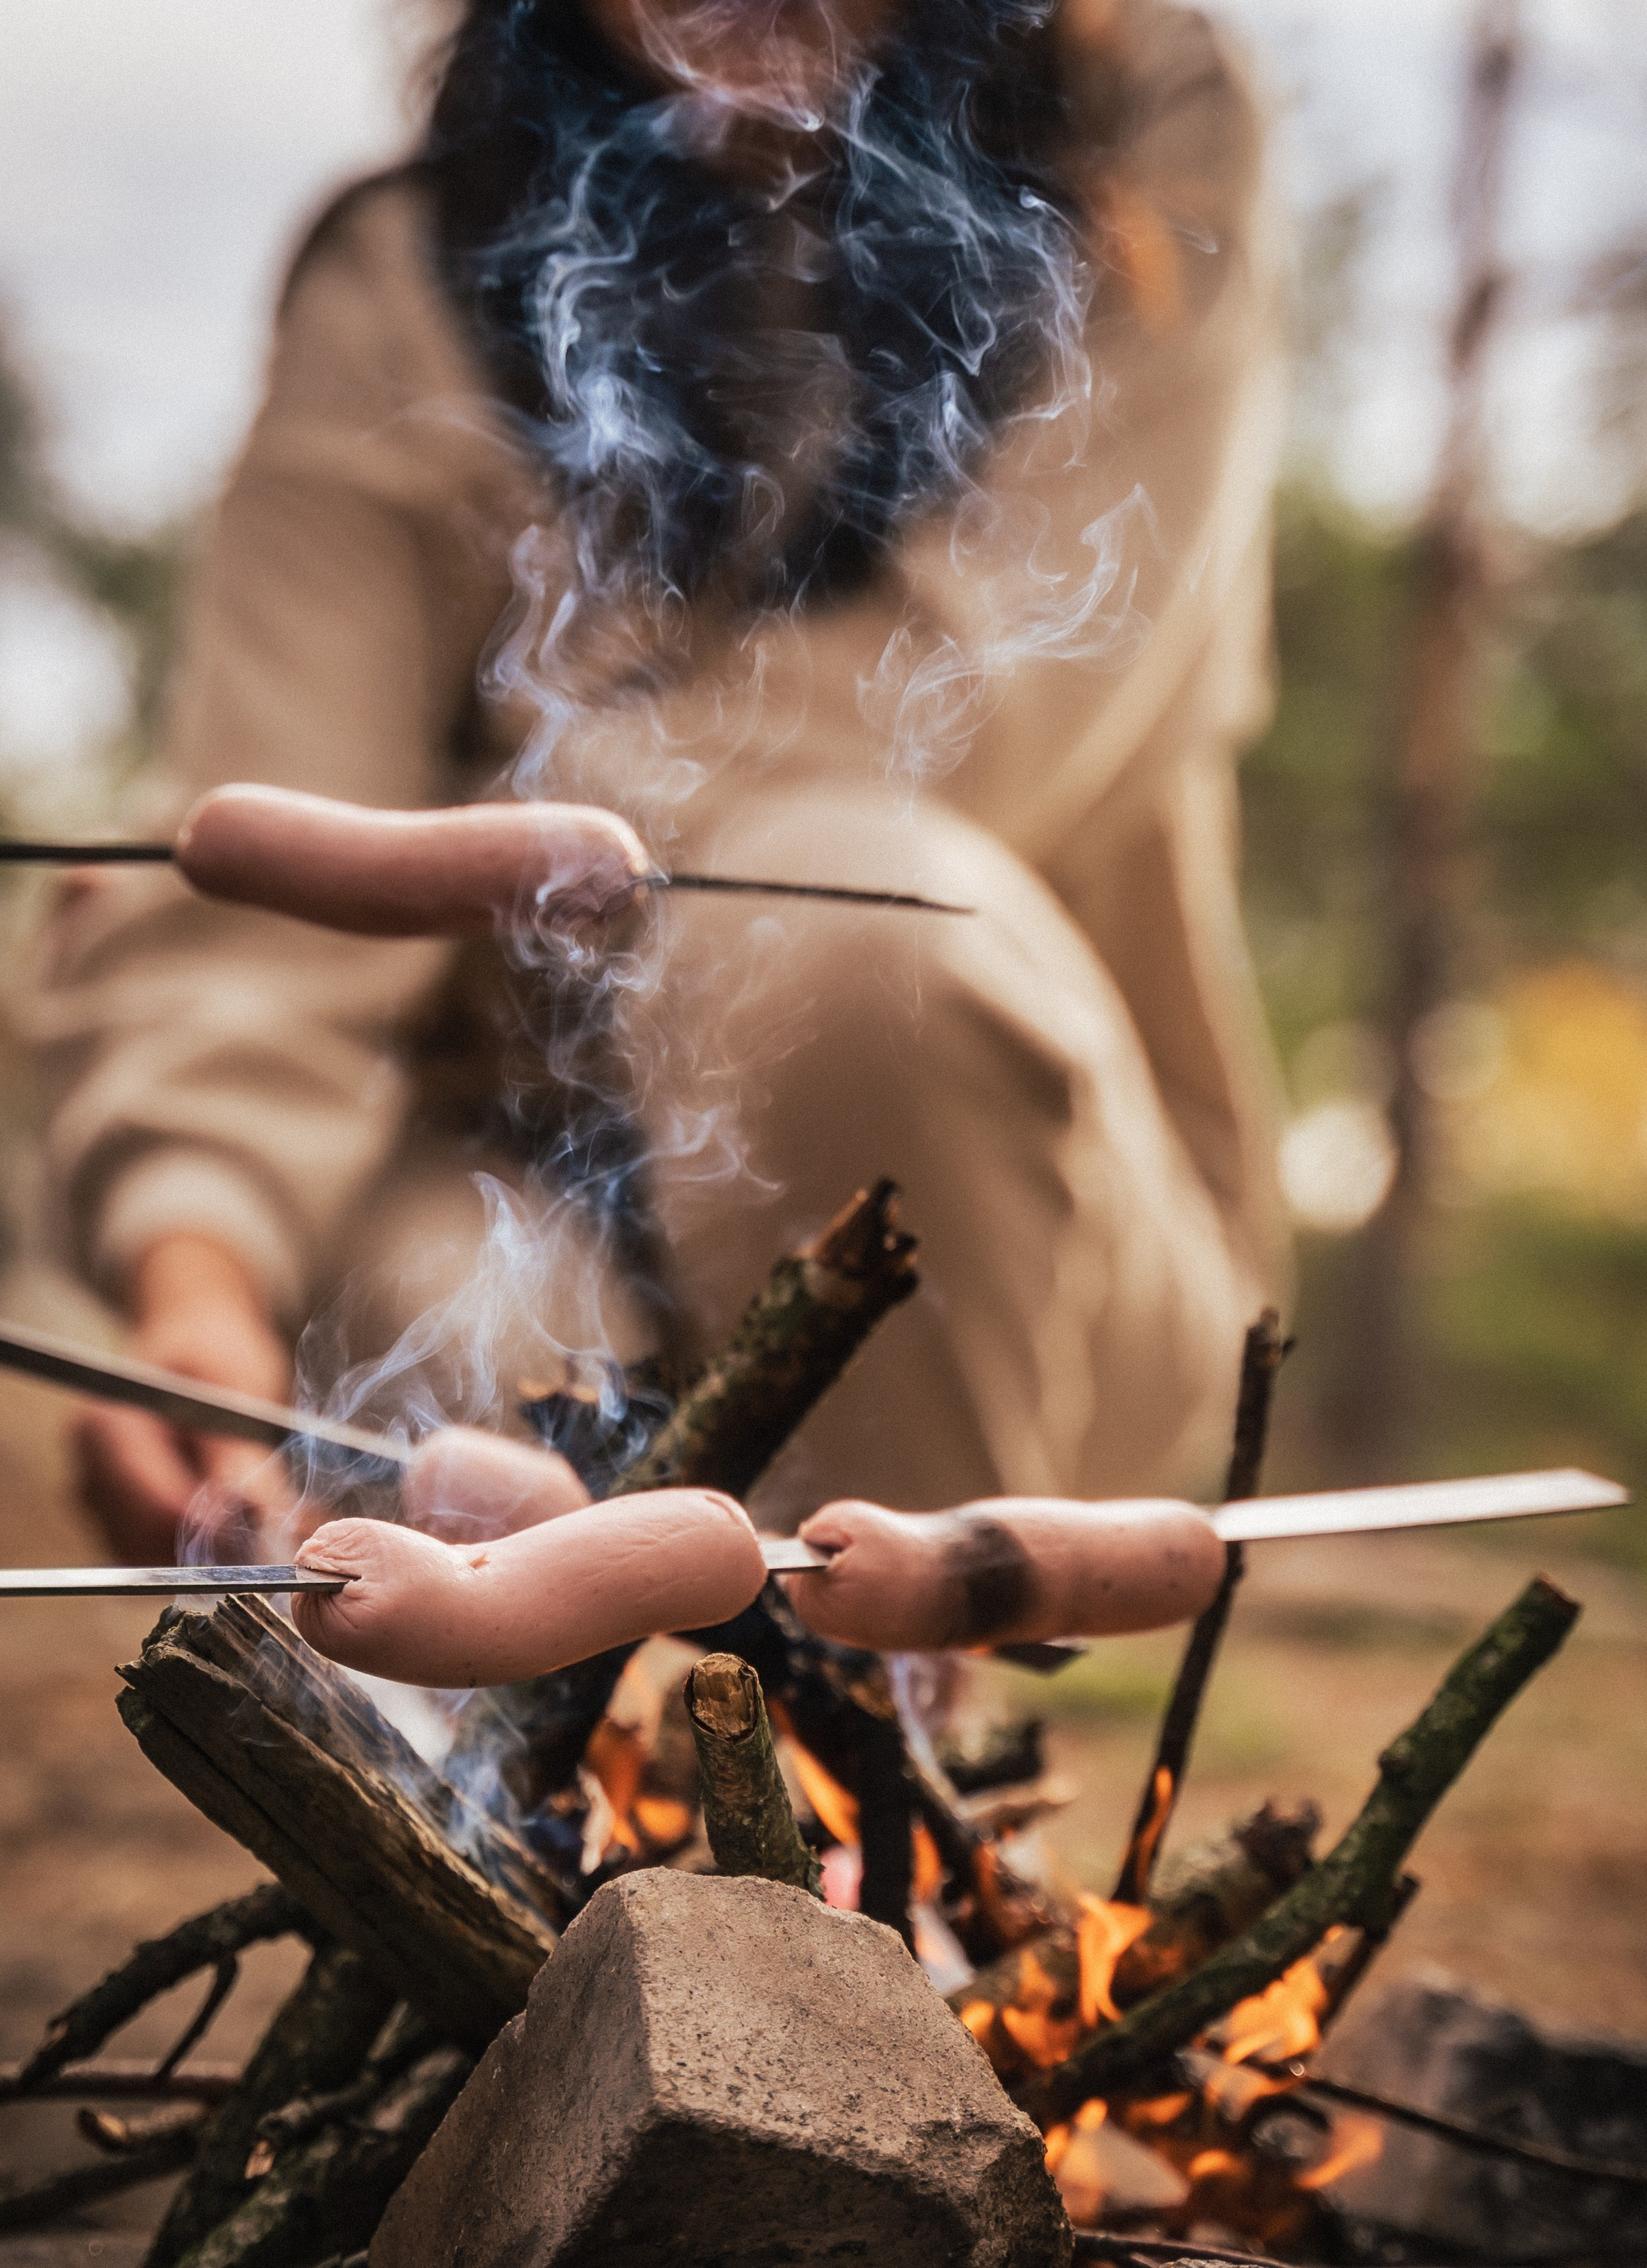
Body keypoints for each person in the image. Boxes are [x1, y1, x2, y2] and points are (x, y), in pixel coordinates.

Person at [31, 0, 1289, 1564]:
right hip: (527, 1219)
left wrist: (489, 828)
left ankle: (881, 1733)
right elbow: (275, 872)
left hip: (1029, 1236)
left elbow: (982, 720)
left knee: (859, 931)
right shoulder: (400, 276)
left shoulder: (1127, 133)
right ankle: (592, 1773)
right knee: (450, 1330)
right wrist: (197, 1282)